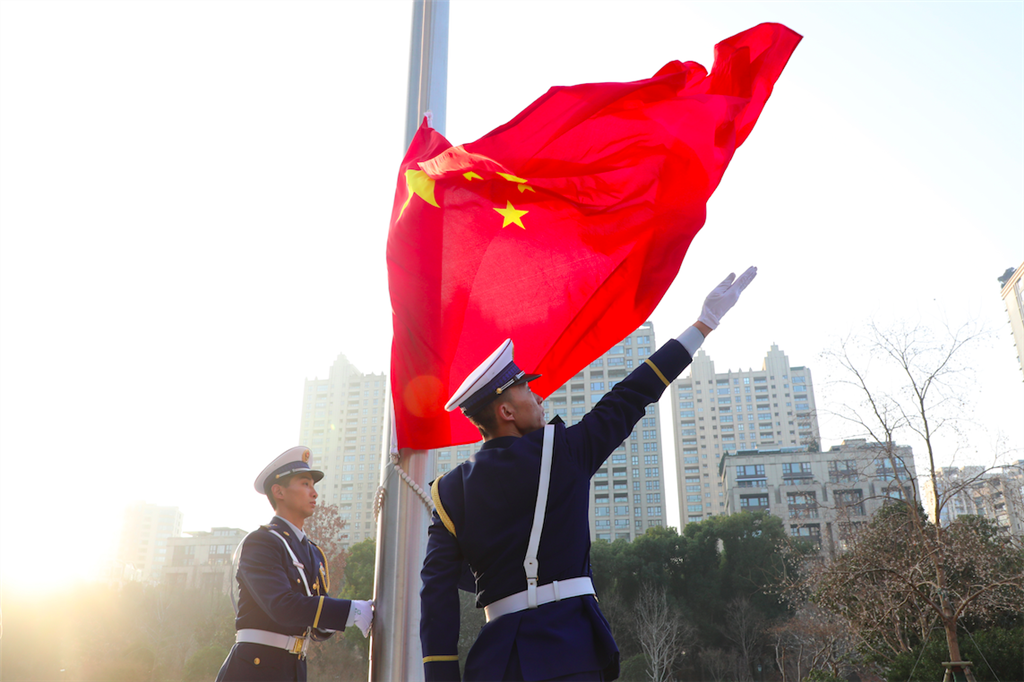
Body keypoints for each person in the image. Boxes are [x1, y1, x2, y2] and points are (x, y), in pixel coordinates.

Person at [420, 267, 758, 682]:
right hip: (572, 651)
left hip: (497, 664)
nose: (538, 397)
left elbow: (436, 596)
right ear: (506, 411)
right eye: (526, 389)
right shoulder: (563, 451)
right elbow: (630, 396)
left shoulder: (447, 493)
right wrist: (704, 324)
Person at [216, 446, 374, 682]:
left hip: (293, 668)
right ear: (278, 491)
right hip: (254, 669)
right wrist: (351, 611)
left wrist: (344, 616)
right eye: (305, 484)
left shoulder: (313, 552)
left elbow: (317, 628)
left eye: (313, 486)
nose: (314, 493)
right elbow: (282, 606)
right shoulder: (261, 542)